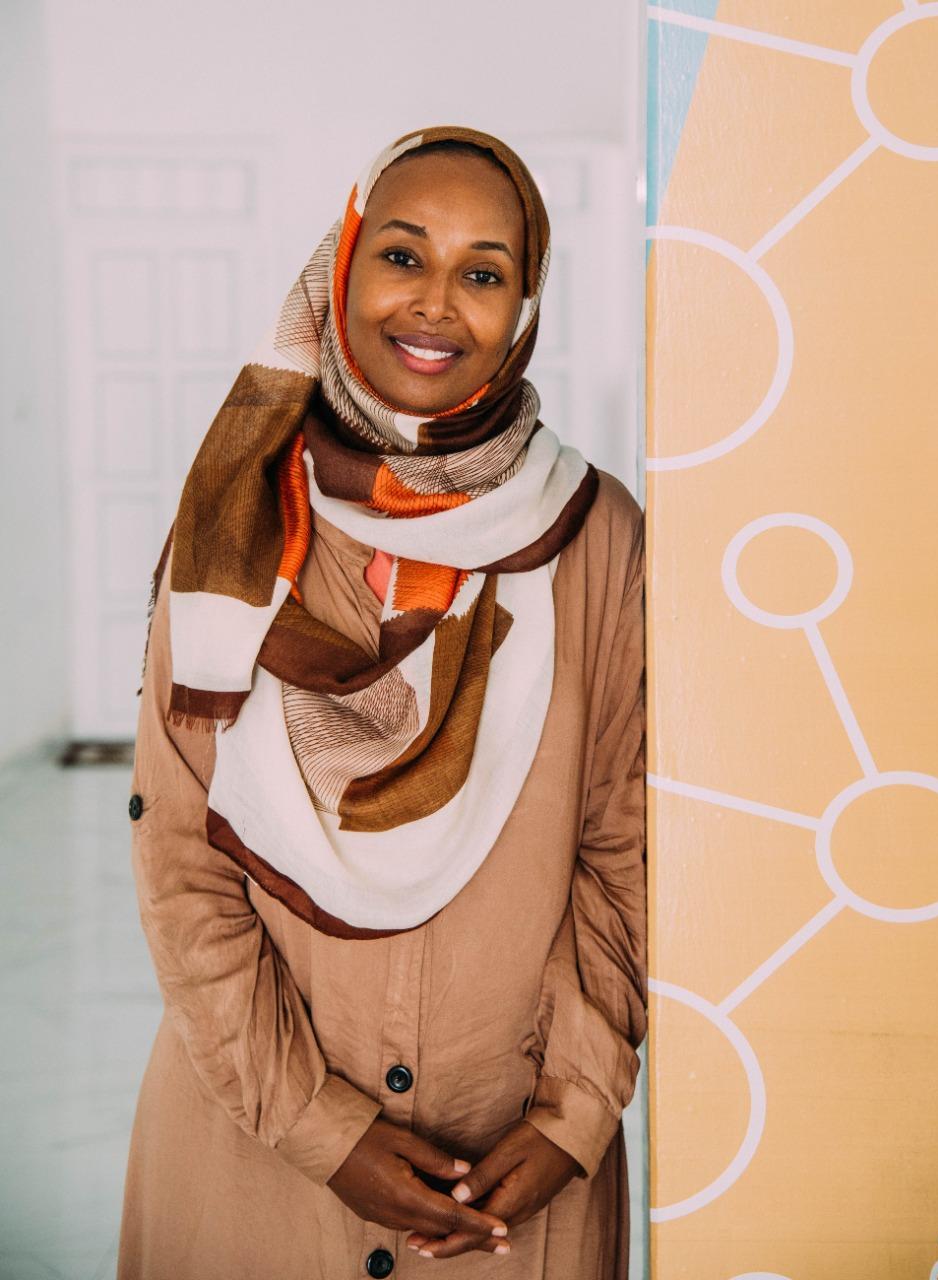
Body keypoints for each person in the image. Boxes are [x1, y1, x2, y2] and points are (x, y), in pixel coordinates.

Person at [118, 124, 647, 1279]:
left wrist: (573, 1109)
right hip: (252, 1160)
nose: (435, 303)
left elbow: (625, 839)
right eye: (402, 254)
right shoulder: (232, 516)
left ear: (523, 305)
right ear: (340, 265)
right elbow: (178, 852)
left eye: (483, 271)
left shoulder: (596, 535)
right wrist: (318, 1125)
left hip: (511, 1167)